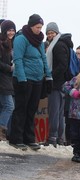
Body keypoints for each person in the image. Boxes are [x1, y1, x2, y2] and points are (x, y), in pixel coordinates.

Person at [9, 14, 53, 151]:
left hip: (37, 79)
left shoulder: (39, 40)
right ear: (31, 26)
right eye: (37, 27)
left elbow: (43, 59)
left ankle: (29, 138)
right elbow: (18, 59)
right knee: (21, 109)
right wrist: (22, 79)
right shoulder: (21, 39)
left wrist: (48, 76)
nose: (39, 30)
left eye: (41, 27)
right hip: (24, 79)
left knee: (32, 109)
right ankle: (16, 138)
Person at [45, 22, 74, 147]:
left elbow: (62, 65)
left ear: (56, 33)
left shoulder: (58, 45)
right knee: (60, 112)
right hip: (62, 83)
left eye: (52, 32)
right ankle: (60, 138)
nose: (50, 35)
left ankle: (53, 137)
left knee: (54, 111)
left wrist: (51, 75)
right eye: (48, 33)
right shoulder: (61, 44)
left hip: (57, 83)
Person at [0, 20, 16, 141]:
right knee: (9, 106)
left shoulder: (9, 43)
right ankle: (1, 131)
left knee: (4, 106)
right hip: (3, 78)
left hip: (6, 79)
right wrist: (10, 68)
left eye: (12, 30)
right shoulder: (1, 43)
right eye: (9, 30)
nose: (11, 32)